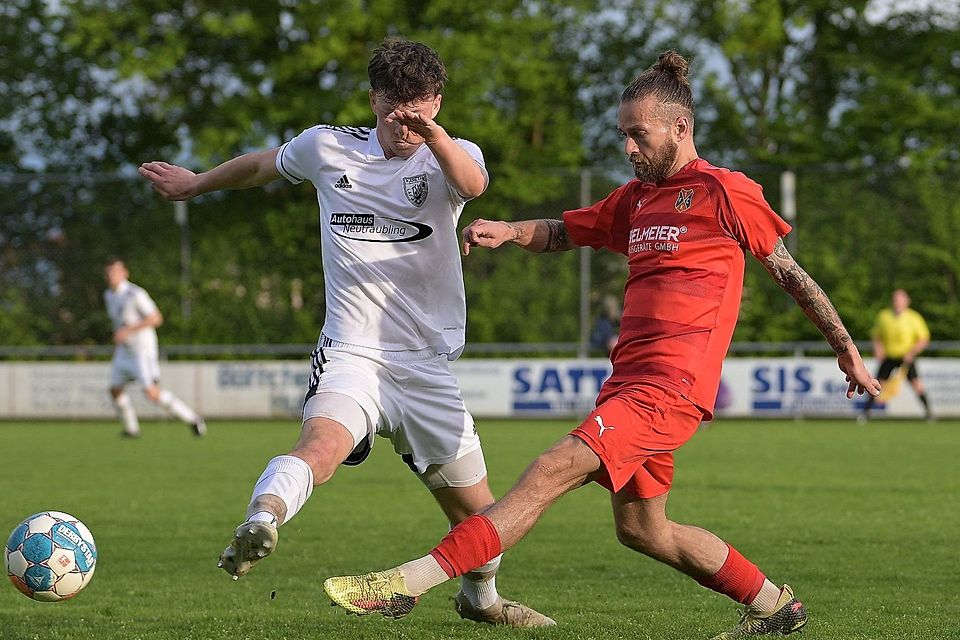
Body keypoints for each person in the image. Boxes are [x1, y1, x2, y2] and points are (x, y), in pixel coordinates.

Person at [323, 50, 881, 639]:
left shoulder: (725, 192)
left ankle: (406, 584)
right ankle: (775, 606)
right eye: (624, 136)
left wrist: (844, 347)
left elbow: (790, 272)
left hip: (670, 389)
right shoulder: (636, 198)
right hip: (630, 384)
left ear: (679, 128)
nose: (629, 149)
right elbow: (567, 231)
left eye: (638, 135)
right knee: (644, 529)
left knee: (548, 470)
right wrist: (513, 231)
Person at [137, 37, 552, 627]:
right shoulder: (326, 148)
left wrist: (431, 133)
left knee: (483, 520)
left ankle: (480, 600)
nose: (403, 120)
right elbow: (261, 165)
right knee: (321, 446)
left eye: (418, 105)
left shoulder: (450, 153)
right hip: (352, 352)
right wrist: (195, 183)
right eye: (391, 105)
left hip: (426, 363)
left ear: (435, 101)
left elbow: (475, 184)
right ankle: (264, 519)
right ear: (373, 97)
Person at [103, 258, 206, 438]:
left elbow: (156, 318)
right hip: (124, 351)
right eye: (108, 272)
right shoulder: (109, 295)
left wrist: (128, 330)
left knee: (151, 393)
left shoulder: (135, 294)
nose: (111, 275)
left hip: (142, 351)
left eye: (115, 271)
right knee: (115, 389)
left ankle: (194, 419)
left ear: (125, 273)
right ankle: (131, 429)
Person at [859, 288, 933, 422]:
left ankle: (929, 414)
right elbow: (876, 336)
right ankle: (865, 414)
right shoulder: (884, 316)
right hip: (889, 357)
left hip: (906, 358)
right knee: (877, 384)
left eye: (900, 299)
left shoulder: (914, 317)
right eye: (895, 299)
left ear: (907, 301)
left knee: (917, 384)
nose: (897, 302)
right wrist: (878, 349)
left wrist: (912, 352)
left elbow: (924, 339)